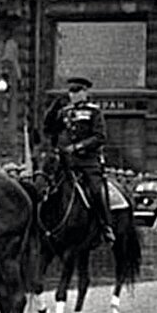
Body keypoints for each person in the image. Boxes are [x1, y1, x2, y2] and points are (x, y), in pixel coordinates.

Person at [43, 76, 116, 243]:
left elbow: (99, 137)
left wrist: (78, 147)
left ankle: (105, 226)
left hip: (88, 163)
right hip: (67, 163)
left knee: (96, 192)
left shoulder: (94, 112)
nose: (73, 95)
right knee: (48, 188)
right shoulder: (65, 112)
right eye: (71, 91)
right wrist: (53, 109)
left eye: (77, 91)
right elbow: (49, 129)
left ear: (85, 93)